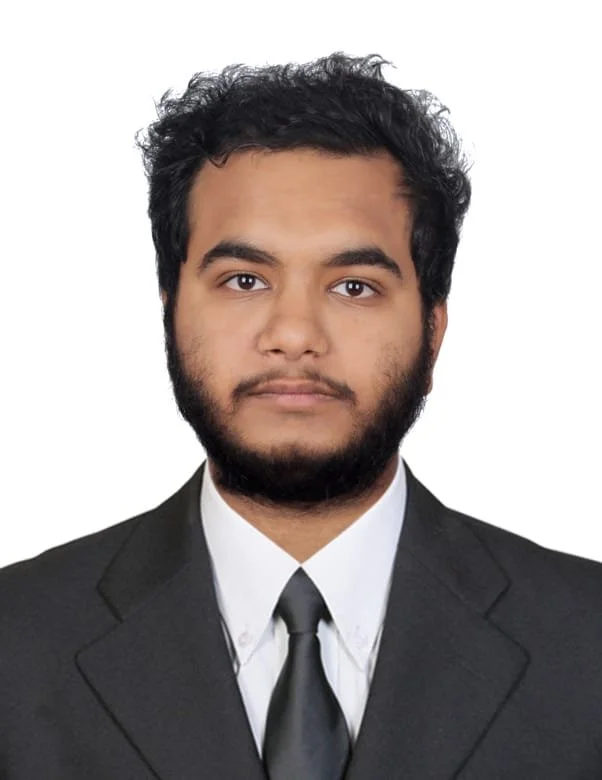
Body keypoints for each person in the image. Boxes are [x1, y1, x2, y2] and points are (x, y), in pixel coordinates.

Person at [1, 52, 601, 780]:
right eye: (244, 279)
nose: (293, 333)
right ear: (171, 315)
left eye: (353, 285)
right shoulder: (16, 641)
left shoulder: (586, 640)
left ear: (433, 331)